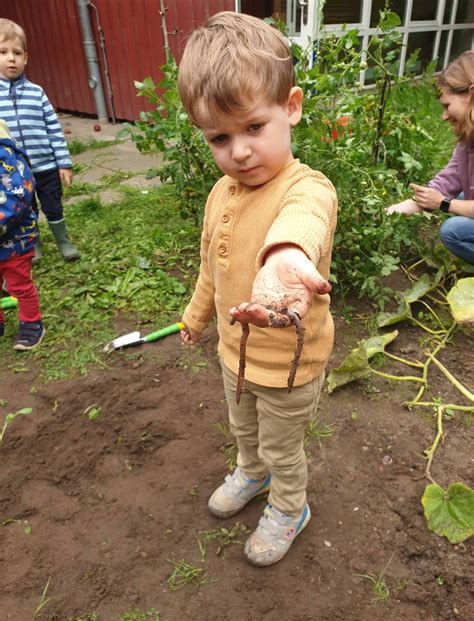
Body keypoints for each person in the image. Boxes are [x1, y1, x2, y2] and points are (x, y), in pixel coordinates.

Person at [177, 12, 338, 566]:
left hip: (290, 362)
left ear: (290, 107)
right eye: (219, 137)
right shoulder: (221, 194)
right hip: (234, 354)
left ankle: (290, 506)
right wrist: (197, 314)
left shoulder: (307, 186)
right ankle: (251, 473)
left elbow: (304, 223)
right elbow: (210, 268)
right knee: (243, 427)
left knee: (282, 446)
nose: (238, 151)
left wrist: (287, 256)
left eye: (253, 127)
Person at [0, 18, 80, 263]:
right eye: (3, 52)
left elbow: (54, 129)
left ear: (26, 58)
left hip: (45, 167)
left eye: (17, 52)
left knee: (53, 206)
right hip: (13, 173)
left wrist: (63, 163)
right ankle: (32, 245)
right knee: (25, 210)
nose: (11, 58)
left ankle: (63, 240)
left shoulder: (37, 93)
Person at [387, 51, 474, 265]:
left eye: (447, 105)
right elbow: (446, 183)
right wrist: (390, 212)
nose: (443, 116)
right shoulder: (467, 140)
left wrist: (444, 204)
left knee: (453, 231)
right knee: (462, 196)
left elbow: (441, 199)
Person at [0, 119, 45, 350]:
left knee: (19, 284)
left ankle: (32, 323)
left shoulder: (6, 158)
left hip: (14, 240)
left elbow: (18, 195)